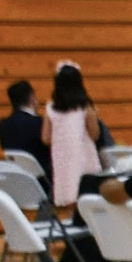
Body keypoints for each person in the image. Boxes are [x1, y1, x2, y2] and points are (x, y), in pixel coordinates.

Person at [43, 62, 101, 209]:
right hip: (84, 156)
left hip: (62, 159)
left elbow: (45, 138)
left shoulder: (51, 107)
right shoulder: (85, 106)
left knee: (69, 195)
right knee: (88, 195)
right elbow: (94, 135)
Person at [0, 80, 51, 179]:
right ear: (32, 98)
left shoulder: (3, 125)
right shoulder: (40, 123)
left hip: (18, 180)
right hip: (43, 181)